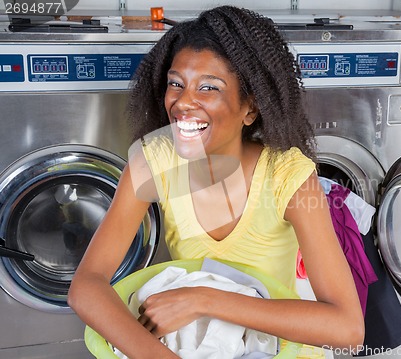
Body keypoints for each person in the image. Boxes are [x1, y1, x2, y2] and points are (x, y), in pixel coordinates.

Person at [68, 6, 364, 359]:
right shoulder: (153, 162)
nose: (183, 103)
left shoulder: (287, 175)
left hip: (279, 347)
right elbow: (86, 286)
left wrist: (203, 300)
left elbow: (347, 330)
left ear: (250, 109)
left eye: (208, 88)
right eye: (176, 83)